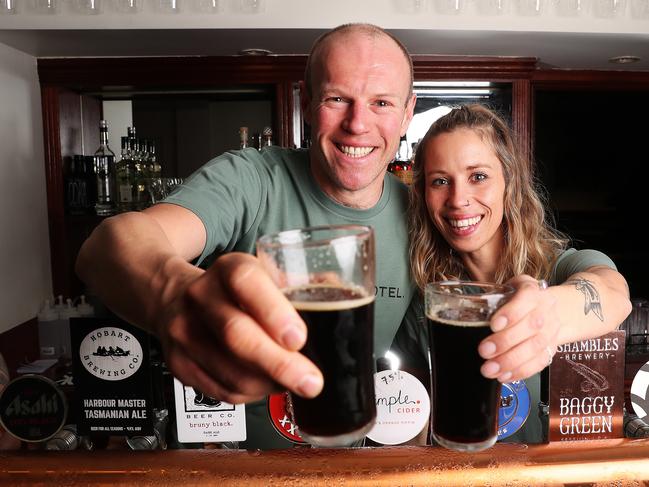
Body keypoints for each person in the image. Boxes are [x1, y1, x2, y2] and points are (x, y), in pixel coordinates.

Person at [76, 23, 417, 449]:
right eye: (337, 98)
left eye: (381, 102)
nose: (357, 124)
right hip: (231, 466)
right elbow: (105, 246)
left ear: (407, 113)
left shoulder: (423, 214)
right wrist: (170, 295)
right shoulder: (251, 179)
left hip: (351, 464)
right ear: (308, 104)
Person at [394, 103, 631, 442]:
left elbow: (612, 292)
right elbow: (412, 423)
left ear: (510, 182)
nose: (459, 199)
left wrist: (547, 312)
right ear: (423, 195)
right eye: (440, 181)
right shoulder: (429, 300)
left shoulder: (555, 267)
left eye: (478, 177)